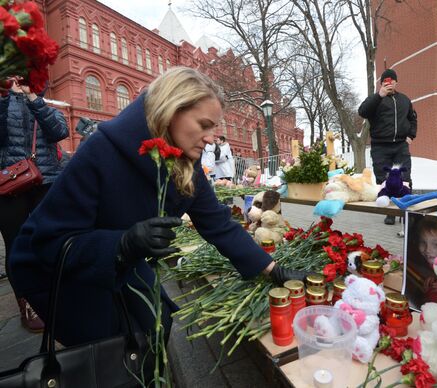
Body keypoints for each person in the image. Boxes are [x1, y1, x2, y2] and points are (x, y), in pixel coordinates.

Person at [8, 67, 308, 350]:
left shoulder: (185, 164)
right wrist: (122, 244)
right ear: (169, 112)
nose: (212, 139)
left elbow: (217, 223)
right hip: (59, 272)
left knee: (158, 319)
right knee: (114, 344)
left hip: (121, 259)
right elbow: (50, 243)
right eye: (204, 125)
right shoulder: (100, 152)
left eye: (215, 128)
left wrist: (273, 269)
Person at [0, 79, 69, 332]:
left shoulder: (45, 106)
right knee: (15, 242)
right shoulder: (3, 102)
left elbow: (60, 132)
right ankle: (27, 302)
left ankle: (53, 291)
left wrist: (32, 98)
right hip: (9, 184)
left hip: (46, 180)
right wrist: (8, 97)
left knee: (50, 237)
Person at [358, 68, 417, 225]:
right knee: (384, 179)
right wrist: (379, 95)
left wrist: (411, 135)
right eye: (385, 81)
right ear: (382, 83)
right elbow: (362, 112)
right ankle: (389, 212)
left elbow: (412, 119)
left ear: (396, 82)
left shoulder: (404, 100)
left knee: (404, 178)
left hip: (400, 146)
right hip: (380, 147)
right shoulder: (375, 99)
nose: (389, 84)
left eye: (392, 81)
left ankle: (406, 212)